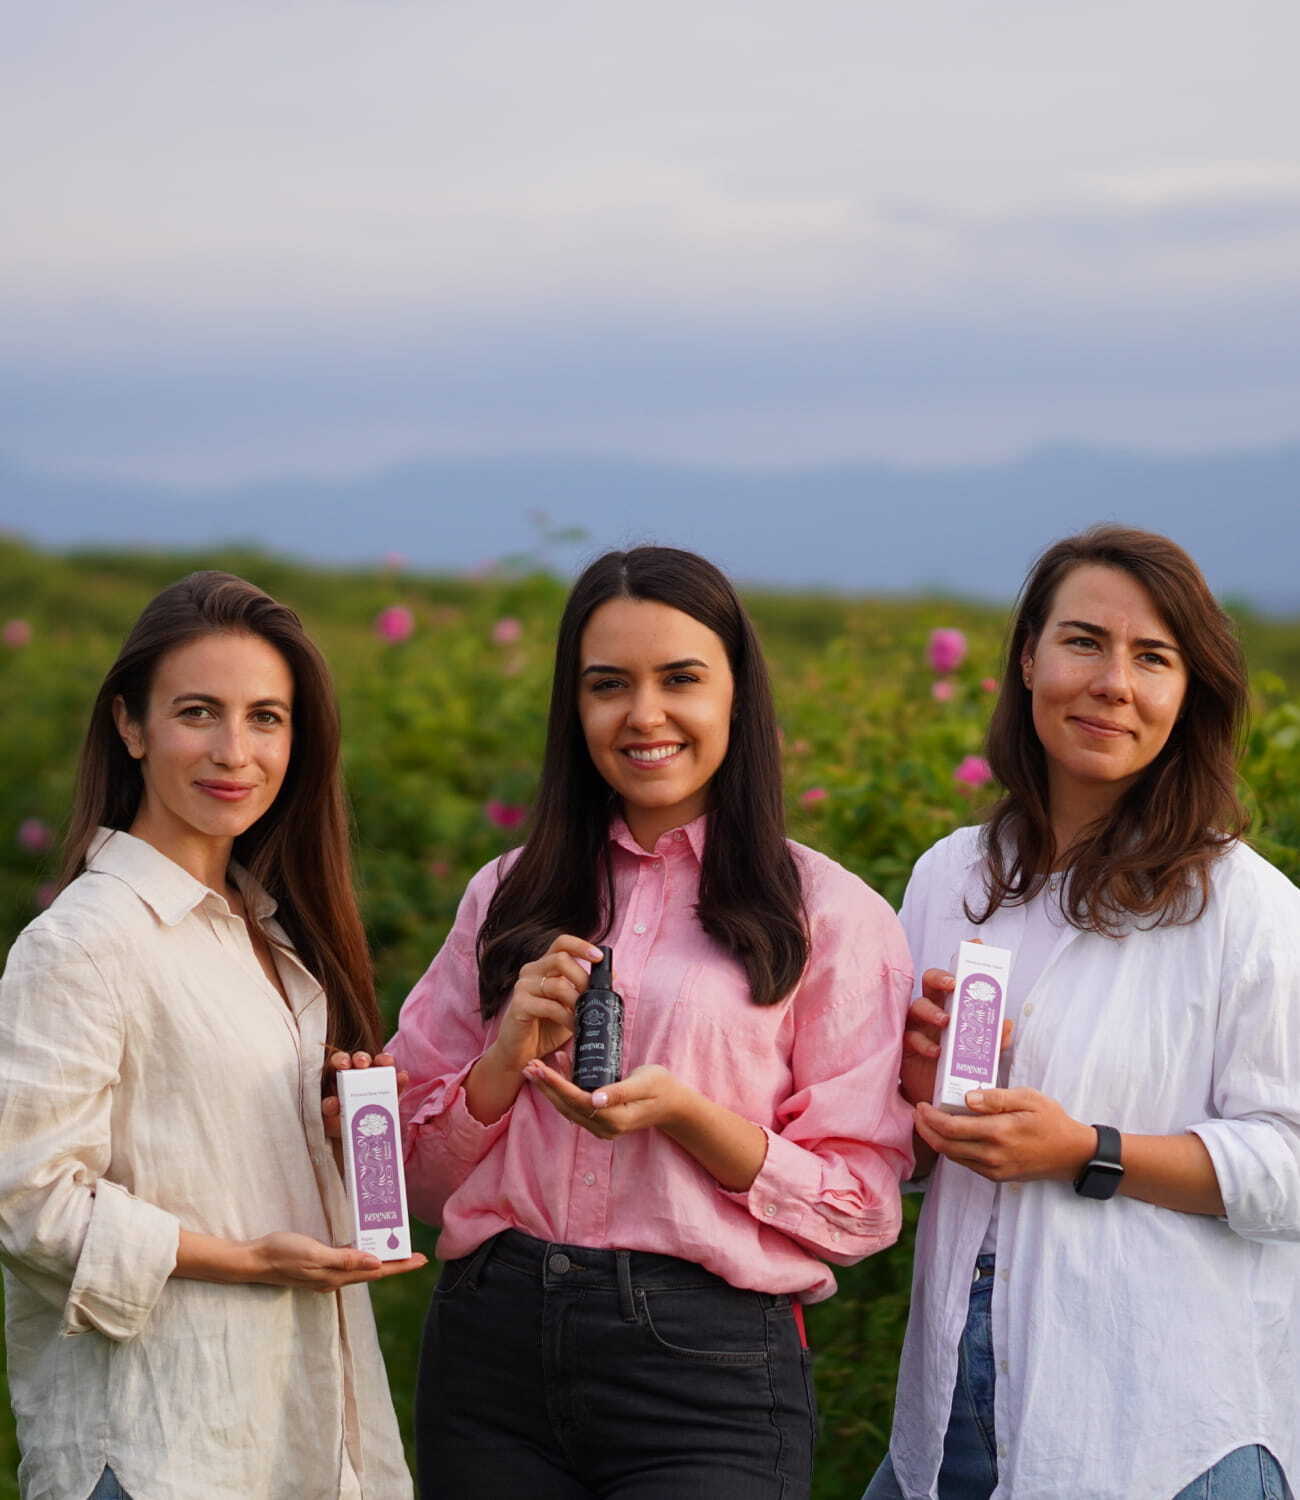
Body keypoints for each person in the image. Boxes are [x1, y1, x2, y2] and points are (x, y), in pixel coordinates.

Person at [378, 546, 914, 1500]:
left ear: (738, 697)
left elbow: (862, 1208)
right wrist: (499, 1066)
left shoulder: (829, 916)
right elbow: (399, 1180)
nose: (645, 714)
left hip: (707, 1368)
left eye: (681, 679)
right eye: (608, 685)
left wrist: (690, 1118)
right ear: (573, 708)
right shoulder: (507, 894)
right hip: (489, 1352)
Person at [863, 527, 1300, 1500]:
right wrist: (913, 1099)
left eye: (1152, 658)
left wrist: (1086, 1151)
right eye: (1082, 642)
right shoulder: (951, 876)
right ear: (1028, 658)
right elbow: (907, 1164)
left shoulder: (1245, 907)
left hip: (1160, 1428)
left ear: (1189, 694)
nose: (1111, 682)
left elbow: (1292, 1168)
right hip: (953, 1412)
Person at [0, 572, 423, 1500]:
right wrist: (249, 1259)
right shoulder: (80, 943)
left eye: (266, 718)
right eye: (199, 712)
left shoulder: (269, 935)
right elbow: (27, 1201)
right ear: (131, 725)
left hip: (297, 1437)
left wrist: (333, 1149)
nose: (236, 751)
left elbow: (215, 1156)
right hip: (160, 1449)